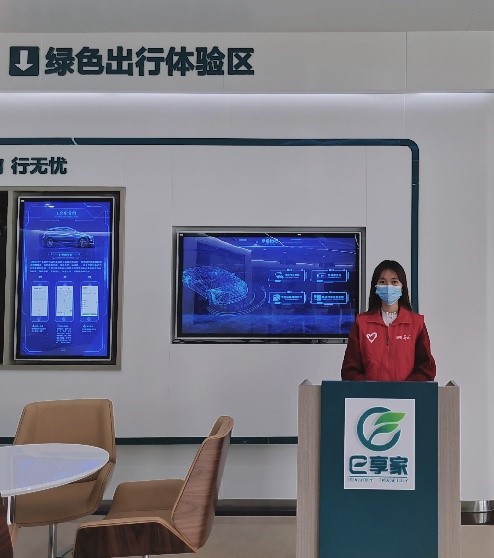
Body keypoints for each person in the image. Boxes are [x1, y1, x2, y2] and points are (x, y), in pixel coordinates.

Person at [341, 259, 436, 382]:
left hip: (407, 393)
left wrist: (407, 388)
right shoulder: (361, 323)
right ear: (375, 287)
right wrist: (368, 387)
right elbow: (349, 370)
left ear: (402, 287)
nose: (388, 287)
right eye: (382, 282)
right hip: (369, 394)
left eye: (394, 282)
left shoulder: (417, 323)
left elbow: (426, 368)